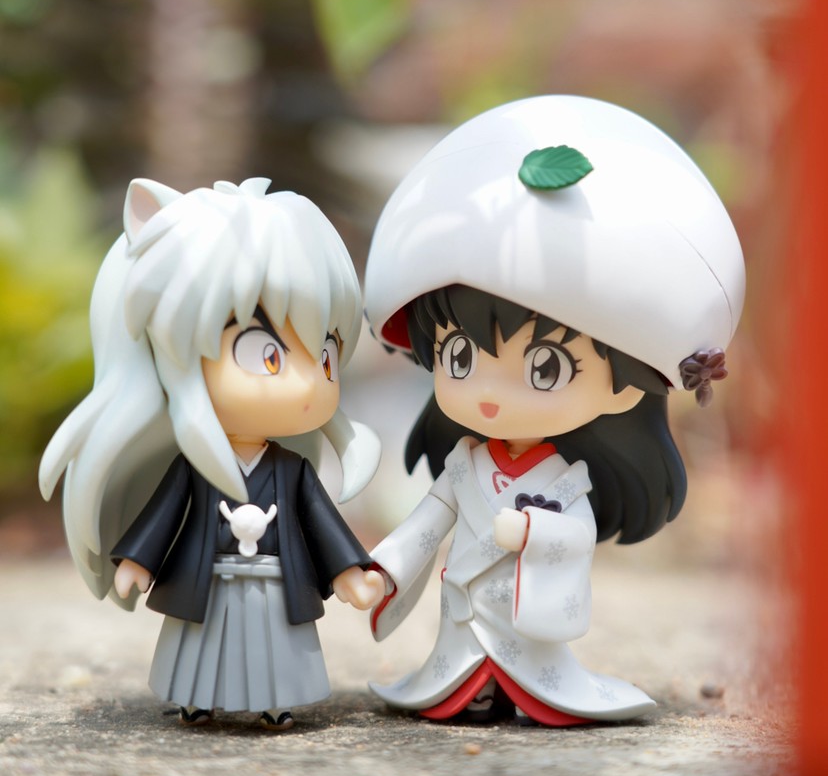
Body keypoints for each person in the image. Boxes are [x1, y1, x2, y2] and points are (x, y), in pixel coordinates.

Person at [363, 95, 745, 726]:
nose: (489, 392)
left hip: (526, 627)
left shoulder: (567, 482)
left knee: (526, 667)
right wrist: (384, 570)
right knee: (461, 667)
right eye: (460, 355)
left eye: (545, 368)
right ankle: (473, 690)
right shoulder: (463, 466)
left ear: (624, 386)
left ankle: (517, 691)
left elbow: (576, 533)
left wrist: (534, 534)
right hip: (462, 622)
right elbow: (424, 528)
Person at [40, 176, 384, 730]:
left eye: (325, 356)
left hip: (273, 587)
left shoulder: (291, 470)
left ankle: (275, 701)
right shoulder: (193, 467)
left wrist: (349, 574)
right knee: (201, 651)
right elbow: (163, 516)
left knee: (273, 653)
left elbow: (323, 526)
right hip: (210, 582)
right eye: (266, 354)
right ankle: (196, 698)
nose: (308, 385)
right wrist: (136, 562)